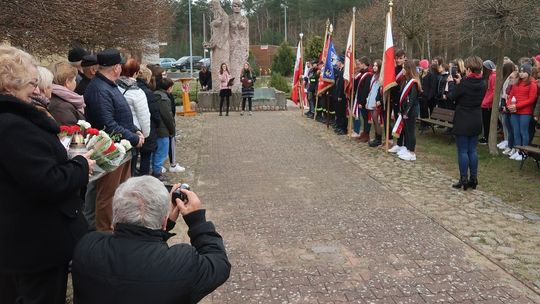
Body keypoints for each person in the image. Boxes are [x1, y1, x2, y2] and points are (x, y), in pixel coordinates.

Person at [0, 45, 94, 304]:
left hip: (23, 240)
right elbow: (48, 181)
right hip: (35, 245)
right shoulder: (12, 125)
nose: (37, 90)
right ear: (10, 85)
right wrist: (81, 166)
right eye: (32, 83)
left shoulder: (13, 120)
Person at [72, 176, 231, 304]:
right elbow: (218, 263)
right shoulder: (181, 264)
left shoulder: (87, 246)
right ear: (163, 221)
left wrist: (162, 227)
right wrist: (196, 220)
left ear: (114, 219)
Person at [84, 48, 144, 231]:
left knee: (121, 193)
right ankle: (105, 233)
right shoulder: (99, 89)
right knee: (108, 195)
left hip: (121, 149)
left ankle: (118, 228)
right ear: (116, 67)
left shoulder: (109, 85)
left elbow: (122, 115)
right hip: (110, 151)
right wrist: (134, 138)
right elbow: (107, 124)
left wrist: (136, 131)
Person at [447, 56, 486, 190]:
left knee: (463, 151)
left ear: (469, 69)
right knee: (472, 150)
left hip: (463, 118)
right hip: (476, 117)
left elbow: (452, 96)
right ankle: (473, 178)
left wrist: (452, 83)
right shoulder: (483, 83)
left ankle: (463, 178)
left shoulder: (464, 83)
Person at [117, 58, 151, 176]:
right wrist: (145, 135)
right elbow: (144, 116)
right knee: (129, 167)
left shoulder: (114, 87)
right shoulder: (137, 92)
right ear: (136, 73)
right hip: (133, 132)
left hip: (115, 129)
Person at [506, 63, 538, 161]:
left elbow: (531, 99)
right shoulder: (516, 83)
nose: (521, 74)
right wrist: (509, 105)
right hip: (514, 111)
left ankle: (524, 152)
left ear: (528, 73)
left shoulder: (532, 84)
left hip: (525, 112)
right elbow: (511, 95)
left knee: (523, 131)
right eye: (520, 71)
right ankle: (517, 150)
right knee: (516, 132)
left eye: (524, 72)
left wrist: (517, 106)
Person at [137, 66, 161, 176]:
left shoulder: (132, 88)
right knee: (145, 157)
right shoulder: (147, 92)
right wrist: (158, 123)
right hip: (147, 128)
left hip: (134, 127)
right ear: (147, 77)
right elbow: (154, 111)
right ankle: (144, 178)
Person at [398, 60, 422, 161]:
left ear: (409, 69)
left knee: (411, 131)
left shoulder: (414, 82)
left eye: (404, 68)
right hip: (406, 110)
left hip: (411, 111)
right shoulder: (407, 80)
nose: (402, 70)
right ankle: (408, 149)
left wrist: (407, 112)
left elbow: (411, 100)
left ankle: (412, 152)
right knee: (407, 131)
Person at [153, 78, 177, 180]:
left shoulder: (155, 94)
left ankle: (155, 170)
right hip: (163, 130)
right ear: (169, 88)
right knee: (161, 153)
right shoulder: (164, 99)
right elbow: (168, 117)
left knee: (156, 152)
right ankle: (157, 173)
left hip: (156, 128)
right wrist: (172, 130)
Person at [498, 61, 517, 154]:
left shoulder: (509, 80)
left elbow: (507, 94)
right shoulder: (506, 79)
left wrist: (504, 105)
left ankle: (512, 145)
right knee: (506, 125)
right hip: (505, 104)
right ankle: (508, 142)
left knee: (510, 127)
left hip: (508, 106)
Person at [352, 57, 372, 141]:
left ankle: (366, 135)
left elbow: (365, 89)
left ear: (363, 64)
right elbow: (358, 86)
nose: (358, 65)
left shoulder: (368, 74)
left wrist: (362, 101)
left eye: (359, 64)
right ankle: (364, 133)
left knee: (366, 118)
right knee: (364, 117)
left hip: (365, 100)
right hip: (360, 99)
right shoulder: (362, 73)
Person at [366, 59, 383, 147]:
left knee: (376, 120)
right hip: (371, 99)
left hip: (377, 101)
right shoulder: (373, 76)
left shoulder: (380, 76)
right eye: (374, 65)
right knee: (374, 120)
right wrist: (368, 100)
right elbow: (371, 89)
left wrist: (378, 101)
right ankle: (376, 137)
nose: (374, 67)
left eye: (376, 66)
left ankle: (379, 139)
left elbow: (380, 90)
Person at [479, 60, 497, 144]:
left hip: (488, 105)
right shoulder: (490, 76)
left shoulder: (493, 76)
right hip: (486, 103)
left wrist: (486, 102)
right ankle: (485, 136)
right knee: (485, 122)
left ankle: (486, 137)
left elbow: (493, 91)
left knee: (487, 122)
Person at [333, 56, 347, 135]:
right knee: (338, 111)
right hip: (337, 94)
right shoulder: (339, 70)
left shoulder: (344, 71)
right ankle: (339, 126)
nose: (336, 63)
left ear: (340, 62)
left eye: (337, 61)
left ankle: (343, 128)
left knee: (342, 113)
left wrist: (340, 96)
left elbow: (342, 85)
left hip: (341, 96)